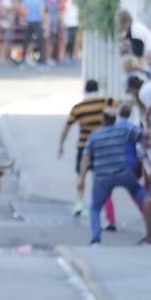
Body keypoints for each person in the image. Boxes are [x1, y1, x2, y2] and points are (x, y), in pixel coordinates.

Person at [78, 108, 145, 245]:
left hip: (102, 177)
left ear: (102, 120)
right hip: (122, 172)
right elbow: (142, 135)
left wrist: (82, 179)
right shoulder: (123, 130)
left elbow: (86, 157)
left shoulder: (94, 136)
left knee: (95, 207)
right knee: (138, 191)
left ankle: (96, 238)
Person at [58, 80, 118, 220]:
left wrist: (61, 145)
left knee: (81, 176)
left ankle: (80, 203)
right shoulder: (106, 101)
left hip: (83, 146)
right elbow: (121, 106)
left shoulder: (78, 108)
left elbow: (67, 127)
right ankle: (104, 207)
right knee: (101, 177)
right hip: (102, 146)